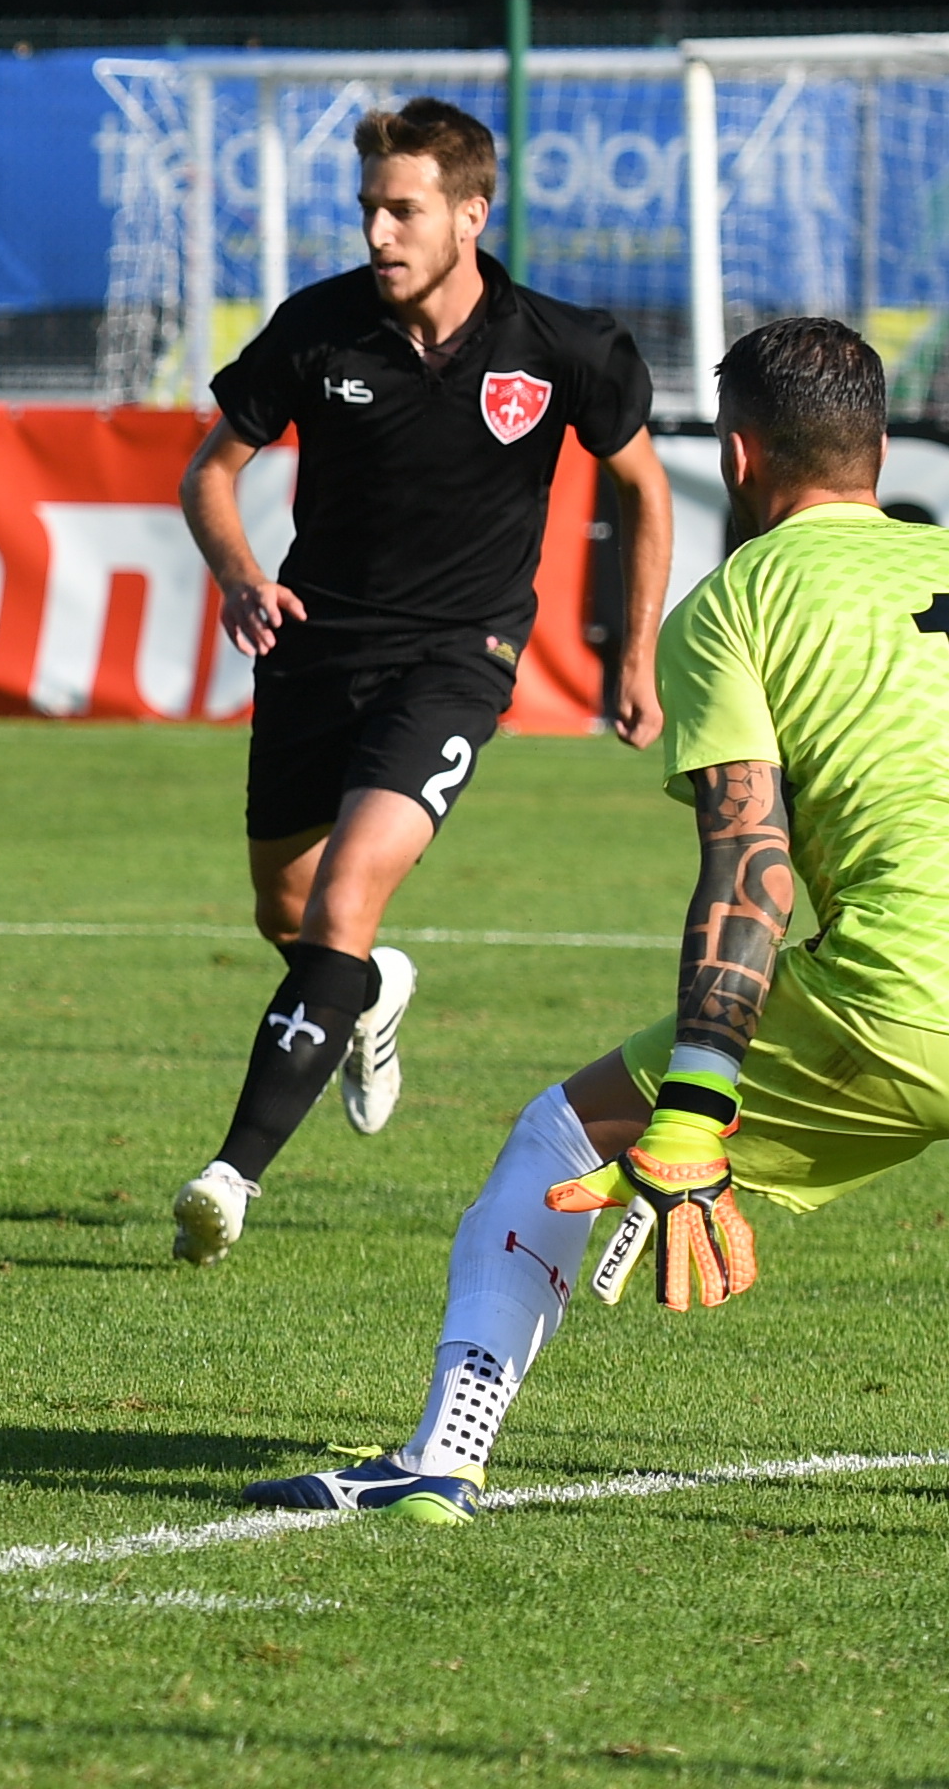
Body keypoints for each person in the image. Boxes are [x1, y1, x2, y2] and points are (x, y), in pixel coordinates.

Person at [246, 316, 949, 1520]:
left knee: (560, 1139)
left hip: (904, 1007)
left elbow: (748, 869)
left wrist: (693, 1104)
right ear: (879, 448)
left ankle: (441, 1456)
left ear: (736, 458)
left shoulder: (735, 606)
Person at [170, 97, 675, 1266]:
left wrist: (632, 654)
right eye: (368, 210)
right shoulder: (318, 329)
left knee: (344, 900)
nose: (379, 233)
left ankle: (227, 1177)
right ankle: (372, 991)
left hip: (458, 661)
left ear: (468, 214)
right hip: (311, 653)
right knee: (290, 920)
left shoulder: (559, 347)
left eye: (403, 211)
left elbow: (643, 489)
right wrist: (241, 574)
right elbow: (211, 475)